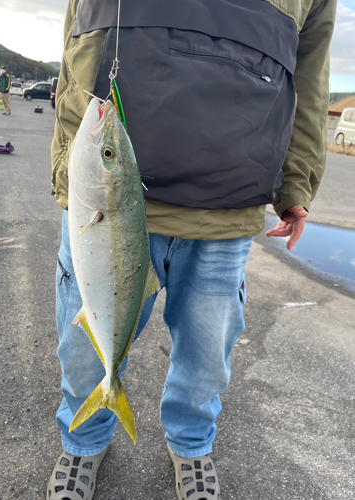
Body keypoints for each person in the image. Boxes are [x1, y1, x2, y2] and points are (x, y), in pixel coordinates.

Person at [47, 1, 337, 499]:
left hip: (227, 207)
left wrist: (298, 182)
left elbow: (309, 78)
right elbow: (80, 31)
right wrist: (67, 159)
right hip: (106, 203)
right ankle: (82, 441)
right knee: (81, 351)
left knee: (206, 358)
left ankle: (191, 444)